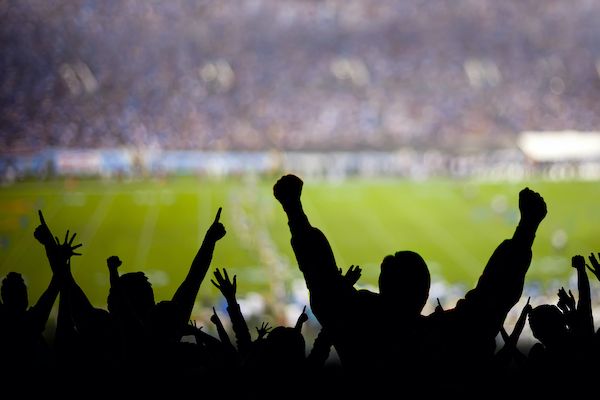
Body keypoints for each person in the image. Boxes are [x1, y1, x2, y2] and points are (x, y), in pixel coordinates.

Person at [273, 173, 547, 397]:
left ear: (381, 287)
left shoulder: (358, 330)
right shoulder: (445, 337)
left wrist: (294, 210)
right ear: (425, 293)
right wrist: (526, 230)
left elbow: (323, 281)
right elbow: (491, 300)